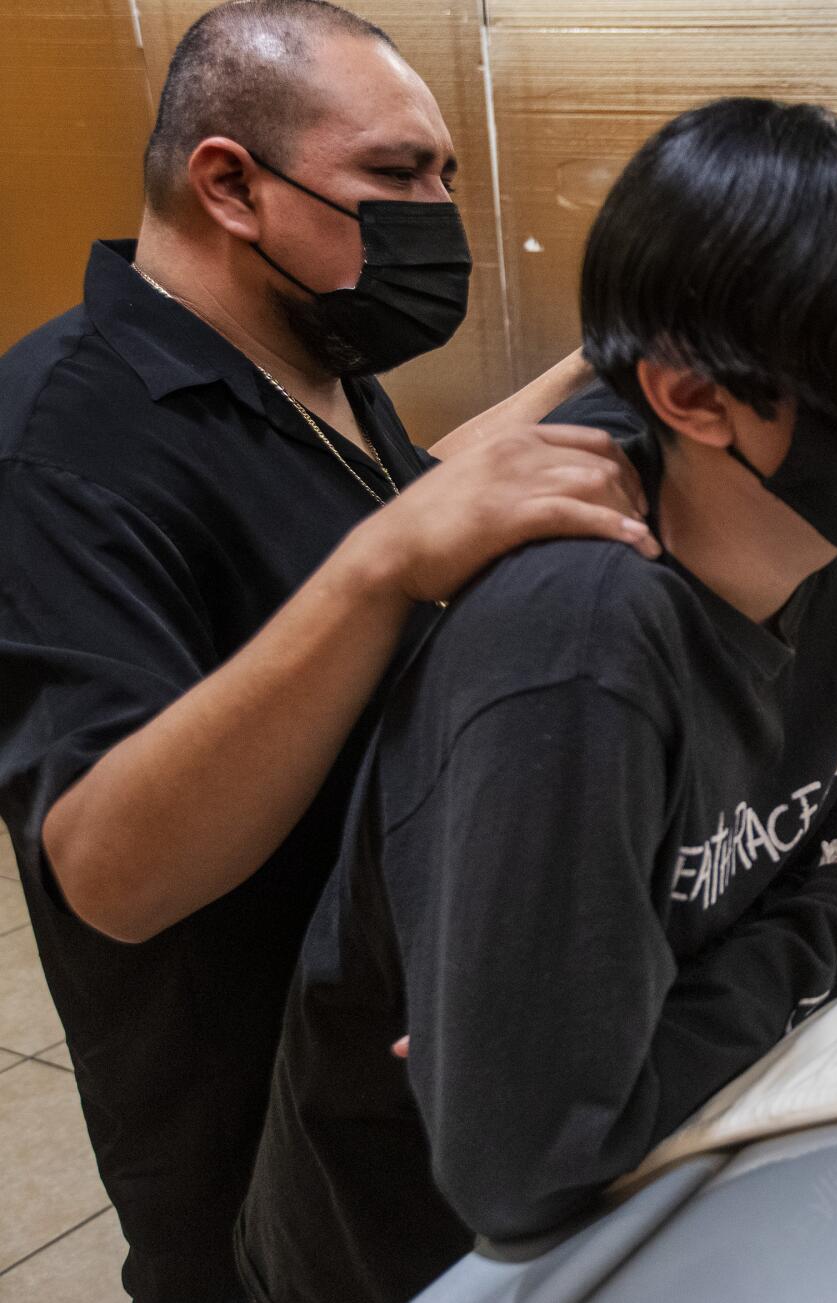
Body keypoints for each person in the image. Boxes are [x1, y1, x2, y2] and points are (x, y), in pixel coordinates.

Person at [235, 98, 837, 1302]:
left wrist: (657, 1019)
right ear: (693, 396)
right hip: (420, 1255)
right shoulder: (575, 634)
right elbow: (533, 1157)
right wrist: (833, 924)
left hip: (691, 1172)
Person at [0, 4, 654, 1297]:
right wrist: (386, 563)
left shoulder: (308, 354)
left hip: (397, 1080)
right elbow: (111, 864)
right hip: (251, 1161)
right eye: (398, 177)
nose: (438, 215)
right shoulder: (62, 436)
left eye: (448, 178)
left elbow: (396, 496)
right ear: (230, 183)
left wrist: (609, 362)